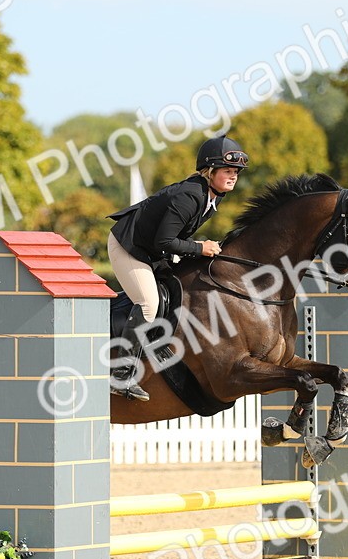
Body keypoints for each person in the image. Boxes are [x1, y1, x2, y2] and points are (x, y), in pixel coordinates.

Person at [105, 135, 248, 400]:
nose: (233, 176)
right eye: (228, 171)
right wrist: (199, 248)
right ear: (210, 171)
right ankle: (121, 375)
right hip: (128, 247)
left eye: (236, 172)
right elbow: (165, 240)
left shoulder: (213, 196)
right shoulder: (190, 195)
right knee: (148, 303)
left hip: (151, 250)